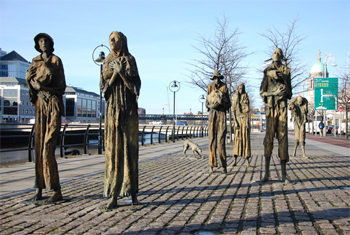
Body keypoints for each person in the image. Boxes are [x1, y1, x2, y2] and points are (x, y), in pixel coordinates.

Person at [100, 31, 141, 209]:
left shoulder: (130, 60)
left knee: (130, 150)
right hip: (113, 109)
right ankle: (114, 195)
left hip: (129, 109)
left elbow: (136, 88)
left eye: (115, 38)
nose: (111, 41)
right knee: (113, 151)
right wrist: (115, 74)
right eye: (110, 38)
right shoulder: (106, 61)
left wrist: (121, 74)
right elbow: (103, 89)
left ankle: (132, 193)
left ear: (122, 41)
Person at [25, 33, 66, 202]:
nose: (43, 43)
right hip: (40, 105)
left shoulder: (56, 61)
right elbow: (33, 90)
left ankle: (56, 190)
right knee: (39, 145)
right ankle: (40, 189)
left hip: (53, 105)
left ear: (50, 43)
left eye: (45, 41)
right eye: (40, 41)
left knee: (48, 147)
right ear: (37, 45)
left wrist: (44, 88)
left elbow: (62, 88)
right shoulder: (35, 62)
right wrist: (28, 81)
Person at [260, 48, 292, 183]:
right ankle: (266, 174)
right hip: (271, 109)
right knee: (268, 139)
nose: (276, 55)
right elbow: (262, 92)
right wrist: (273, 94)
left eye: (278, 53)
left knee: (283, 139)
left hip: (282, 108)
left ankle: (284, 175)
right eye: (274, 53)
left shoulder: (286, 71)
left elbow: (290, 93)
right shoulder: (267, 71)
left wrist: (284, 85)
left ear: (282, 56)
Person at [206, 70, 231, 173]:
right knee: (212, 140)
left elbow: (228, 104)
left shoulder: (224, 87)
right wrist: (211, 106)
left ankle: (224, 165)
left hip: (221, 115)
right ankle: (211, 165)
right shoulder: (209, 86)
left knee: (221, 140)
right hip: (212, 115)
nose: (216, 80)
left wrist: (221, 104)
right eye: (215, 78)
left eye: (218, 78)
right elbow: (206, 103)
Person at [232, 83, 251, 167]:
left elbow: (247, 110)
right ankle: (235, 160)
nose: (241, 89)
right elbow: (233, 110)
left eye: (242, 88)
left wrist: (247, 121)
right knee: (237, 139)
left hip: (244, 119)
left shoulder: (245, 96)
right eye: (239, 88)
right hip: (238, 119)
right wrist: (235, 121)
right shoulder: (235, 96)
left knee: (245, 139)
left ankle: (247, 159)